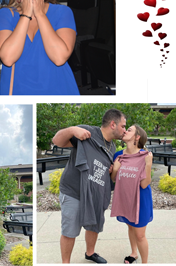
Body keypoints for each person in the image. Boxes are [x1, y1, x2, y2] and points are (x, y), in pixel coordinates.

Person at [51, 108, 127, 263]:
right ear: (113, 124)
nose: (124, 130)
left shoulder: (112, 147)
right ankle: (65, 262)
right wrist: (72, 130)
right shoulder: (86, 132)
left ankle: (90, 253)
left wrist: (112, 170)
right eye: (123, 126)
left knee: (94, 225)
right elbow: (56, 141)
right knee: (70, 230)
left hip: (94, 194)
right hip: (74, 191)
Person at [0, 0, 79, 95]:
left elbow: (59, 58)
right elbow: (8, 58)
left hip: (59, 93)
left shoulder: (63, 12)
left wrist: (39, 13)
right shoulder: (5, 14)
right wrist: (26, 14)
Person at [110, 125, 153, 264]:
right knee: (130, 226)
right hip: (126, 198)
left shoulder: (145, 156)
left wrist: (148, 165)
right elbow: (114, 179)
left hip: (141, 199)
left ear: (137, 136)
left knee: (140, 235)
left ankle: (145, 263)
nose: (125, 131)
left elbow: (144, 184)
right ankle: (134, 253)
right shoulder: (118, 155)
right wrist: (115, 170)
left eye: (129, 130)